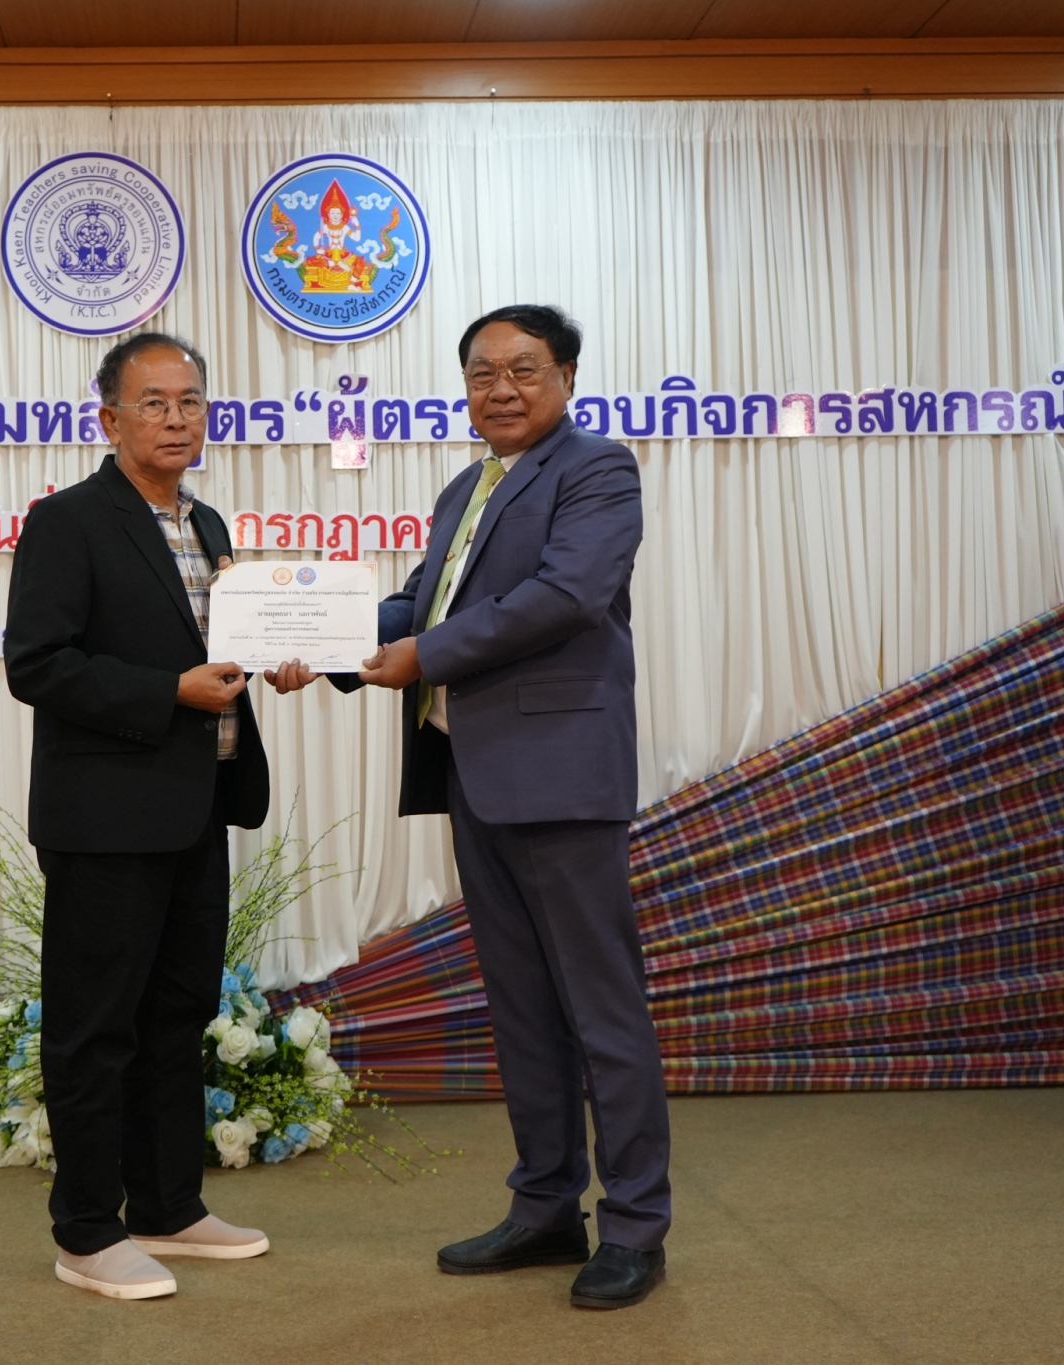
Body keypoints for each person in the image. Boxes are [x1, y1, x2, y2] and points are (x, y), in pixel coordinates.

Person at [267, 304, 670, 1311]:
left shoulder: (596, 470)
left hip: (560, 776)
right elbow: (419, 605)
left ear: (566, 376)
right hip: (474, 773)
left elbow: (564, 596)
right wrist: (314, 640)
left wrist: (424, 654)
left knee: (600, 1008)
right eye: (482, 373)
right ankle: (545, 1205)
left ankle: (635, 1225)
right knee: (522, 1007)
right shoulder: (467, 487)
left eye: (523, 369)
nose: (501, 388)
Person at [4, 332, 273, 1301]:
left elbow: (221, 657)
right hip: (106, 819)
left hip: (198, 807)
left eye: (190, 401)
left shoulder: (206, 523)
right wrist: (168, 691)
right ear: (109, 416)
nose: (175, 418)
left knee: (178, 1016)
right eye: (153, 402)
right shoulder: (68, 521)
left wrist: (277, 655)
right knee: (94, 1028)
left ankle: (167, 1206)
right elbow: (38, 665)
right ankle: (86, 1230)